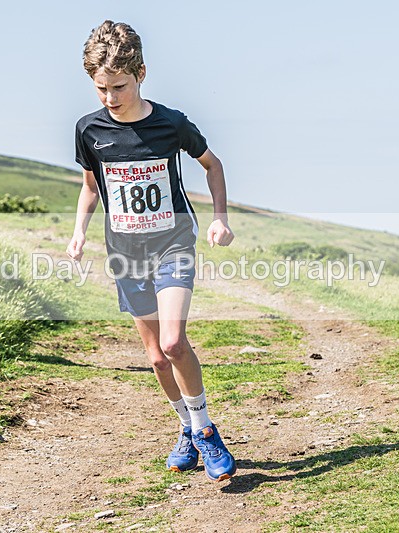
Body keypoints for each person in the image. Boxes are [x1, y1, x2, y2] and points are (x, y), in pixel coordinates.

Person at [67, 20, 237, 481]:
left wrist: (220, 218)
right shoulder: (89, 130)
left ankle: (204, 431)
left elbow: (213, 165)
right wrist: (79, 231)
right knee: (156, 357)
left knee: (173, 341)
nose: (110, 98)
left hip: (172, 243)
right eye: (101, 88)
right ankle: (185, 426)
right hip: (124, 252)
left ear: (141, 73)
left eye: (119, 86)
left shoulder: (170, 124)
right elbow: (90, 186)